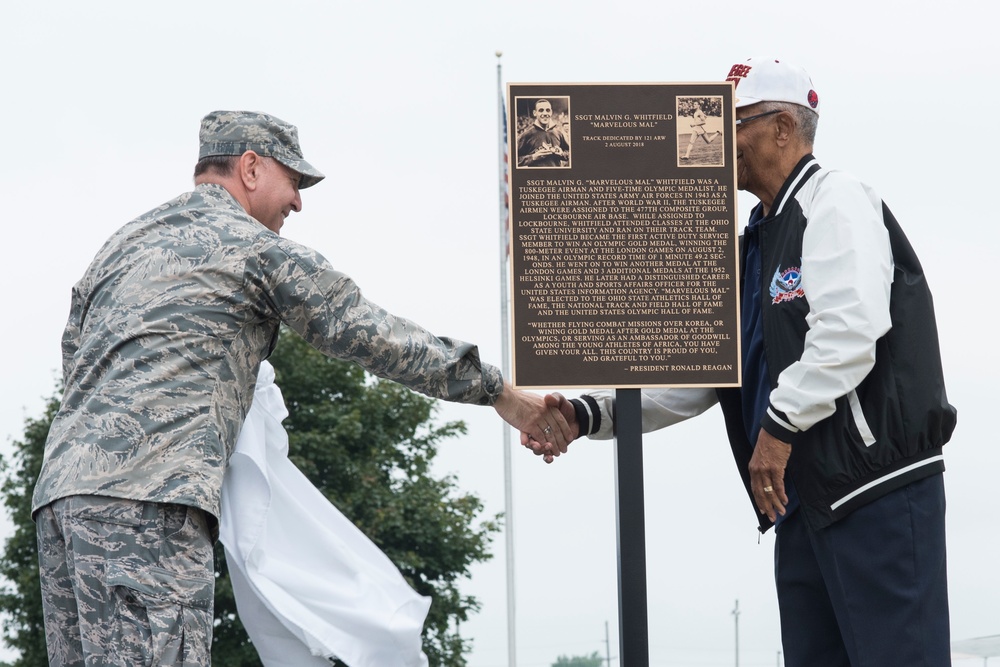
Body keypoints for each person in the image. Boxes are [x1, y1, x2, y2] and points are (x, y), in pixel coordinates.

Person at [32, 109, 570, 667]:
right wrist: (498, 392)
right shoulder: (252, 248)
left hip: (58, 504)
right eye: (294, 181)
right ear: (250, 167)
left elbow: (75, 357)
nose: (298, 202)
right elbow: (370, 333)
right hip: (148, 506)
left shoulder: (122, 245)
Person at [531, 58, 958, 667]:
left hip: (875, 493)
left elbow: (850, 329)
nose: (712, 143)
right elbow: (704, 375)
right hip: (802, 506)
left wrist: (778, 430)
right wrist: (586, 412)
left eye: (729, 124)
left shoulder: (835, 199)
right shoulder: (750, 243)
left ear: (782, 127)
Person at [516, 98, 570, 167]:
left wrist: (562, 154)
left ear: (551, 112)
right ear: (535, 113)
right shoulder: (527, 135)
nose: (545, 113)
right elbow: (512, 159)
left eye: (547, 110)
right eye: (541, 110)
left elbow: (569, 152)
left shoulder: (558, 133)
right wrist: (533, 157)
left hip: (556, 176)